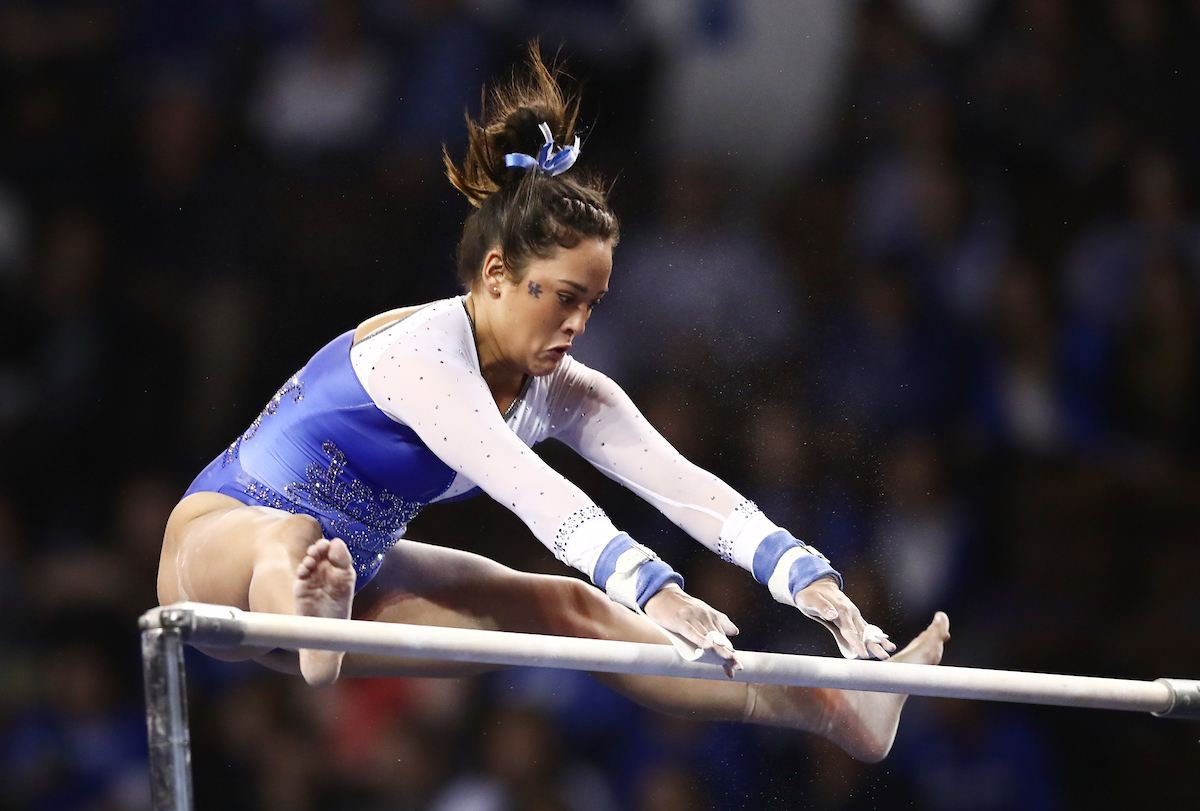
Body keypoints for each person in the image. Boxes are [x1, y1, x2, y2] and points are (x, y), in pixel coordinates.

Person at [158, 47, 950, 763]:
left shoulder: (567, 389)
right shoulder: (422, 355)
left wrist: (804, 575)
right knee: (292, 537)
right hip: (224, 539)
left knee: (570, 610)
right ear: (497, 274)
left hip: (355, 570)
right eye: (563, 298)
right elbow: (531, 490)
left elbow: (687, 486)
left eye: (594, 305)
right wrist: (655, 584)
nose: (576, 325)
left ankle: (841, 709)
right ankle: (306, 626)